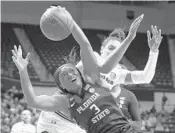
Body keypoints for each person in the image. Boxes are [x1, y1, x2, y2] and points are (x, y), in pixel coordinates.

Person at [12, 6, 144, 133]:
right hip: (54, 121)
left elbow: (84, 44)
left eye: (72, 71)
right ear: (62, 87)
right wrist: (23, 70)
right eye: (64, 75)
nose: (69, 74)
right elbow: (32, 101)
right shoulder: (66, 101)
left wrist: (68, 20)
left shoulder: (95, 79)